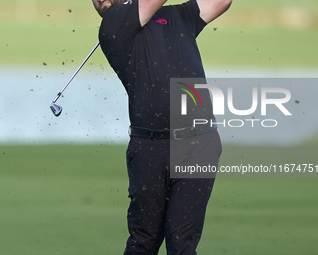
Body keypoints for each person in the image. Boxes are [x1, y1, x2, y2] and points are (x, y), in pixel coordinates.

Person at [91, 0, 232, 254]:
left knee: (181, 243)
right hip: (149, 149)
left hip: (199, 143)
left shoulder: (177, 15)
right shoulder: (112, 23)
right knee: (143, 242)